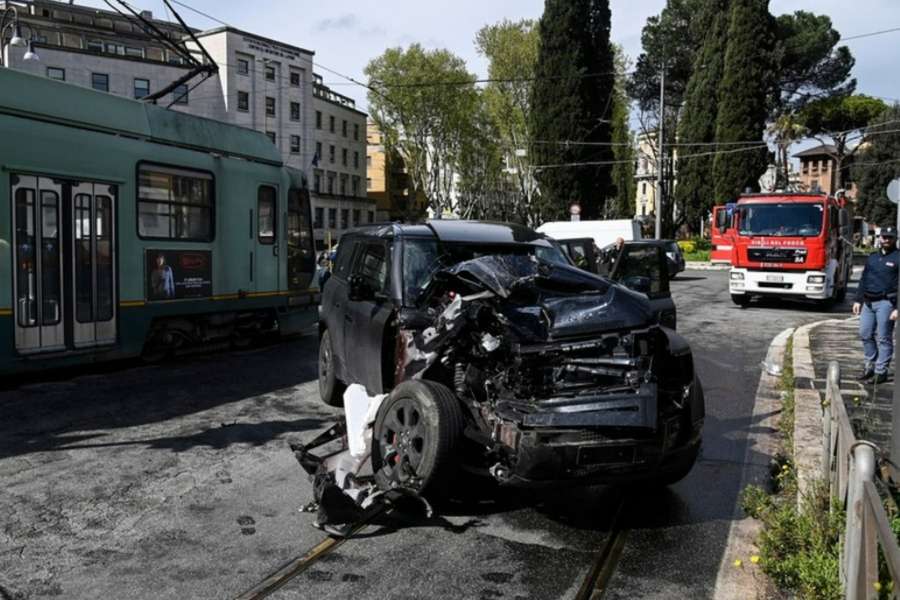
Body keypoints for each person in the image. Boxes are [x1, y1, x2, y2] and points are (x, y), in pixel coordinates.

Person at [853, 226, 900, 383]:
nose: (886, 240)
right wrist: (858, 300)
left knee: (884, 338)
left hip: (886, 303)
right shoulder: (872, 257)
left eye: (890, 237)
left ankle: (881, 372)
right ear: (880, 238)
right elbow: (864, 279)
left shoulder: (897, 257)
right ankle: (870, 366)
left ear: (895, 239)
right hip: (868, 302)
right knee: (865, 334)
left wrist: (897, 308)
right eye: (884, 237)